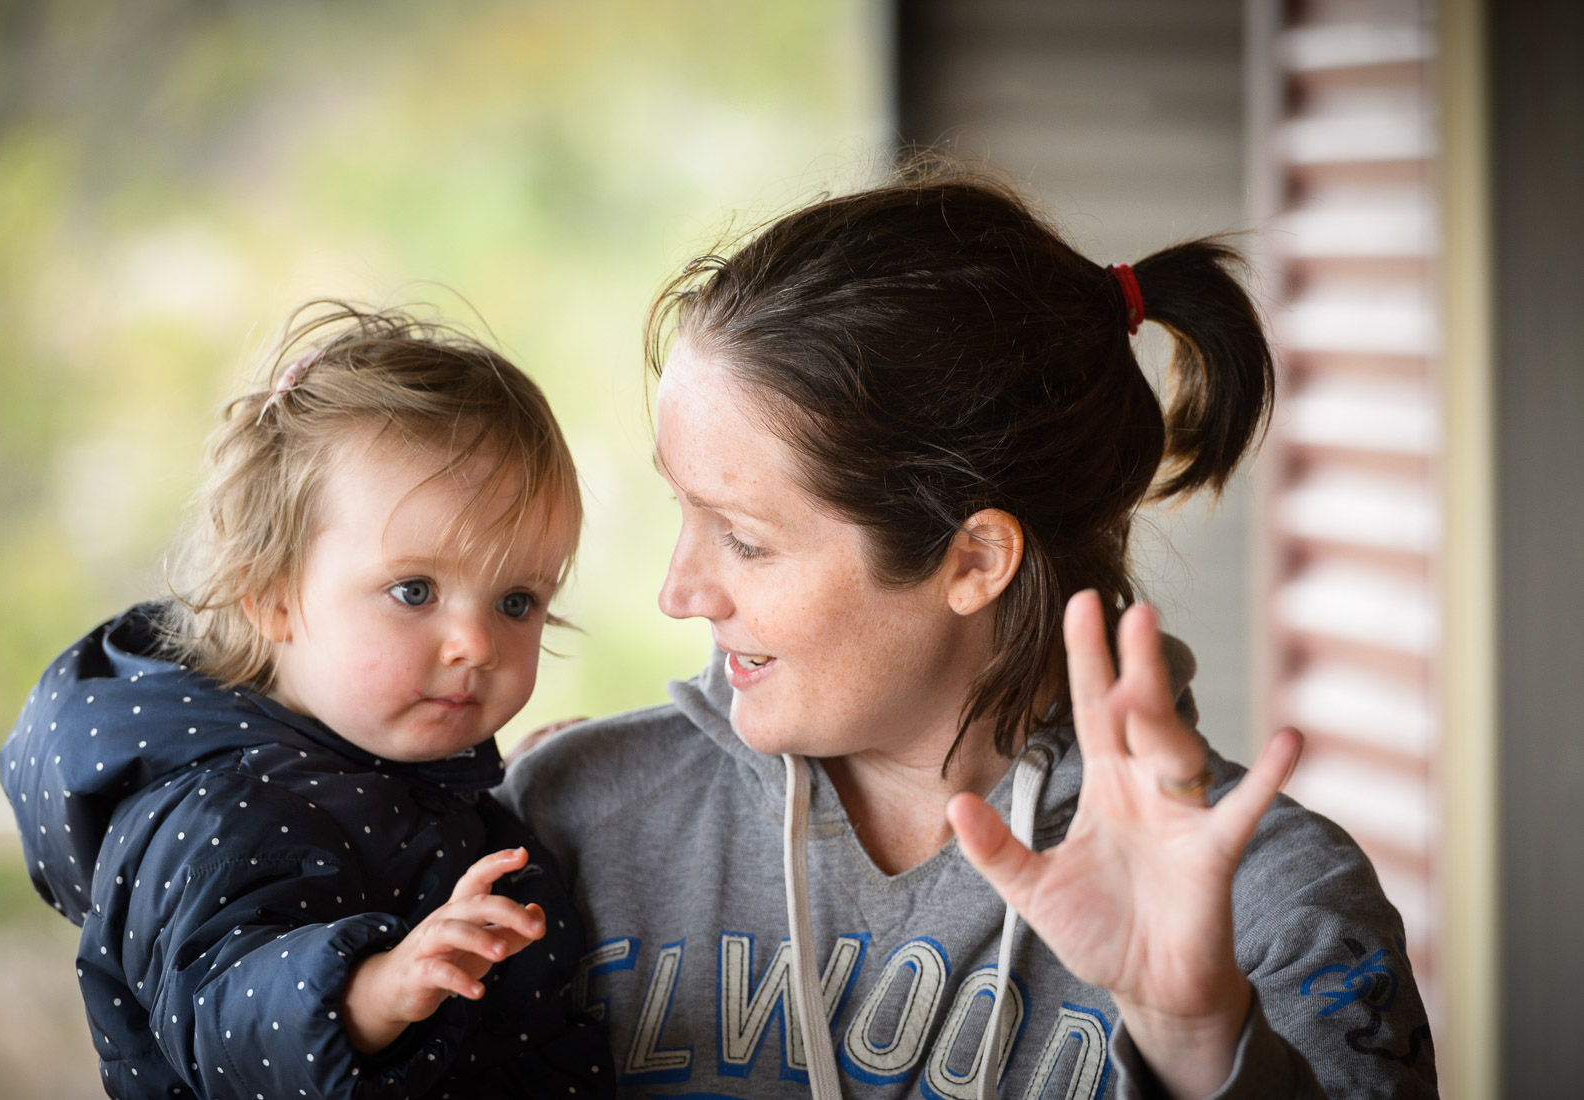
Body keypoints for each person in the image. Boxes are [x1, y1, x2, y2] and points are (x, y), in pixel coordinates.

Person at [500, 165, 1437, 1098]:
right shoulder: (565, 823)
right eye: (682, 509)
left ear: (974, 560)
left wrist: (1197, 1040)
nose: (678, 593)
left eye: (744, 540)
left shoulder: (1275, 908)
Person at [0, 304, 616, 1099]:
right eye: (414, 590)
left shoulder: (375, 761)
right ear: (271, 596)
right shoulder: (220, 806)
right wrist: (374, 991)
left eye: (517, 601)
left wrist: (502, 801)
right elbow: (222, 1010)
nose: (476, 644)